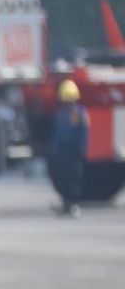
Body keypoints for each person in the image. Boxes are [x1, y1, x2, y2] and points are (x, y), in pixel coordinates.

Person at [48, 78, 88, 217]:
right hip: (62, 152)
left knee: (74, 178)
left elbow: (82, 133)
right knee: (62, 178)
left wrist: (81, 149)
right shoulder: (60, 114)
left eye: (70, 102)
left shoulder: (78, 113)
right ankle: (65, 203)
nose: (68, 105)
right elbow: (57, 133)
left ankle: (74, 204)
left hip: (73, 151)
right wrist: (54, 150)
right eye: (65, 102)